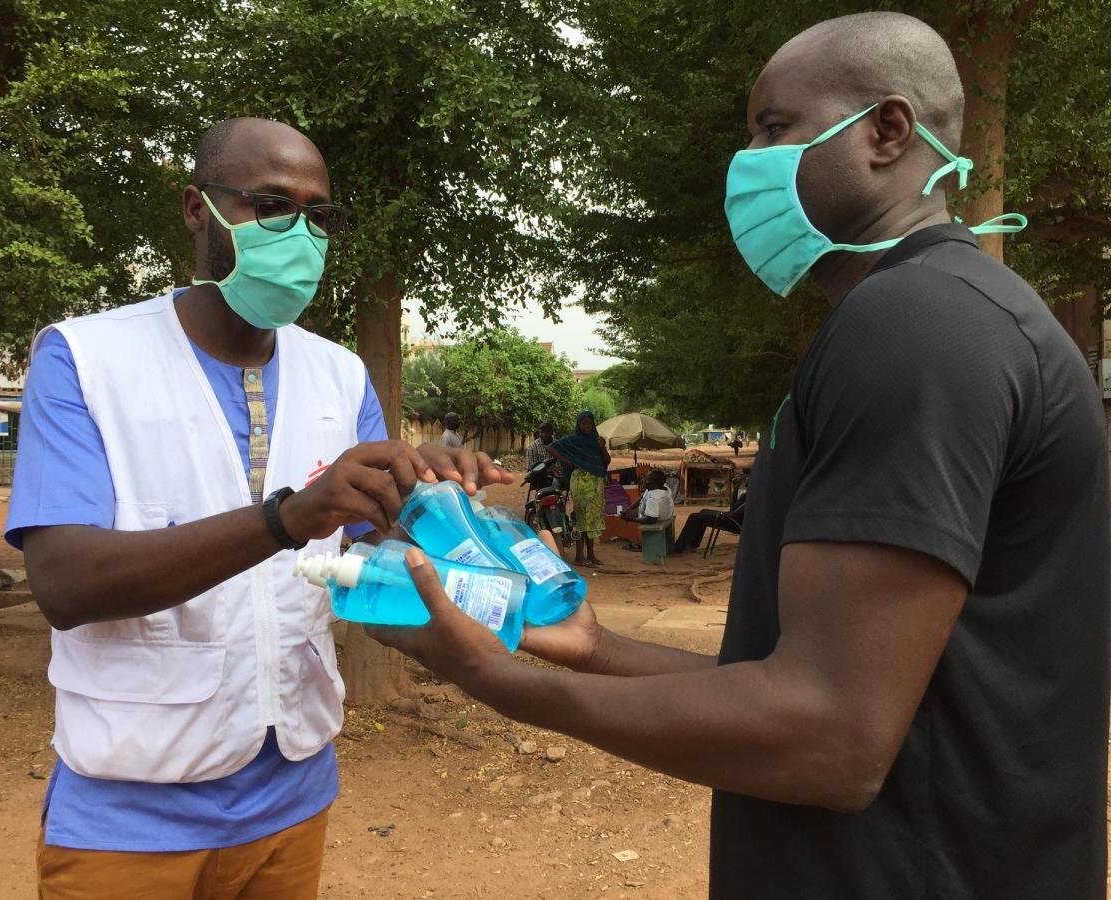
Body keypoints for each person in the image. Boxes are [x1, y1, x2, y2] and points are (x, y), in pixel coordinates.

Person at [367, 13, 1109, 900]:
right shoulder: (956, 311)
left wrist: (489, 678)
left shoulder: (916, 329)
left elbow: (829, 739)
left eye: (773, 128)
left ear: (887, 131)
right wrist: (595, 648)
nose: (747, 162)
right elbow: (810, 680)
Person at [5, 116, 511, 899]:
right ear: (196, 207)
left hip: (291, 796)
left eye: (320, 216)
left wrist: (440, 500)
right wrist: (284, 518)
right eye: (270, 206)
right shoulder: (87, 357)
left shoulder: (340, 375)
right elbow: (66, 584)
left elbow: (374, 538)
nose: (299, 234)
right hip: (130, 813)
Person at [547, 410, 611, 566]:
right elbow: (551, 447)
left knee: (593, 519)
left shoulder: (597, 441)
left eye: (589, 423)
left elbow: (607, 460)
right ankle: (579, 557)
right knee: (581, 519)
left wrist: (602, 447)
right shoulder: (573, 440)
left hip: (596, 484)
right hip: (580, 484)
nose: (587, 426)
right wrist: (566, 461)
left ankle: (591, 555)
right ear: (578, 424)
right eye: (583, 423)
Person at [671, 491, 746, 554]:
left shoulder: (753, 496)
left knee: (694, 516)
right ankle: (691, 544)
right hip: (731, 517)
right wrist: (735, 490)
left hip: (734, 522)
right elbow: (733, 508)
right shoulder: (747, 494)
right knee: (703, 511)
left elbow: (736, 512)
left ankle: (681, 546)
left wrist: (727, 514)